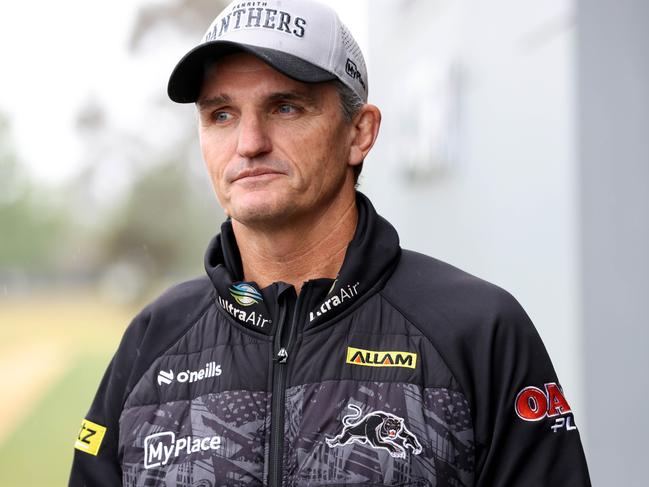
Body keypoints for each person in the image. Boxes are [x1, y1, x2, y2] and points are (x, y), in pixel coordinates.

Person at [69, 0, 591, 486]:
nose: (249, 144)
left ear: (359, 133)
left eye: (286, 108)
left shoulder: (477, 330)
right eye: (220, 115)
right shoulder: (153, 339)